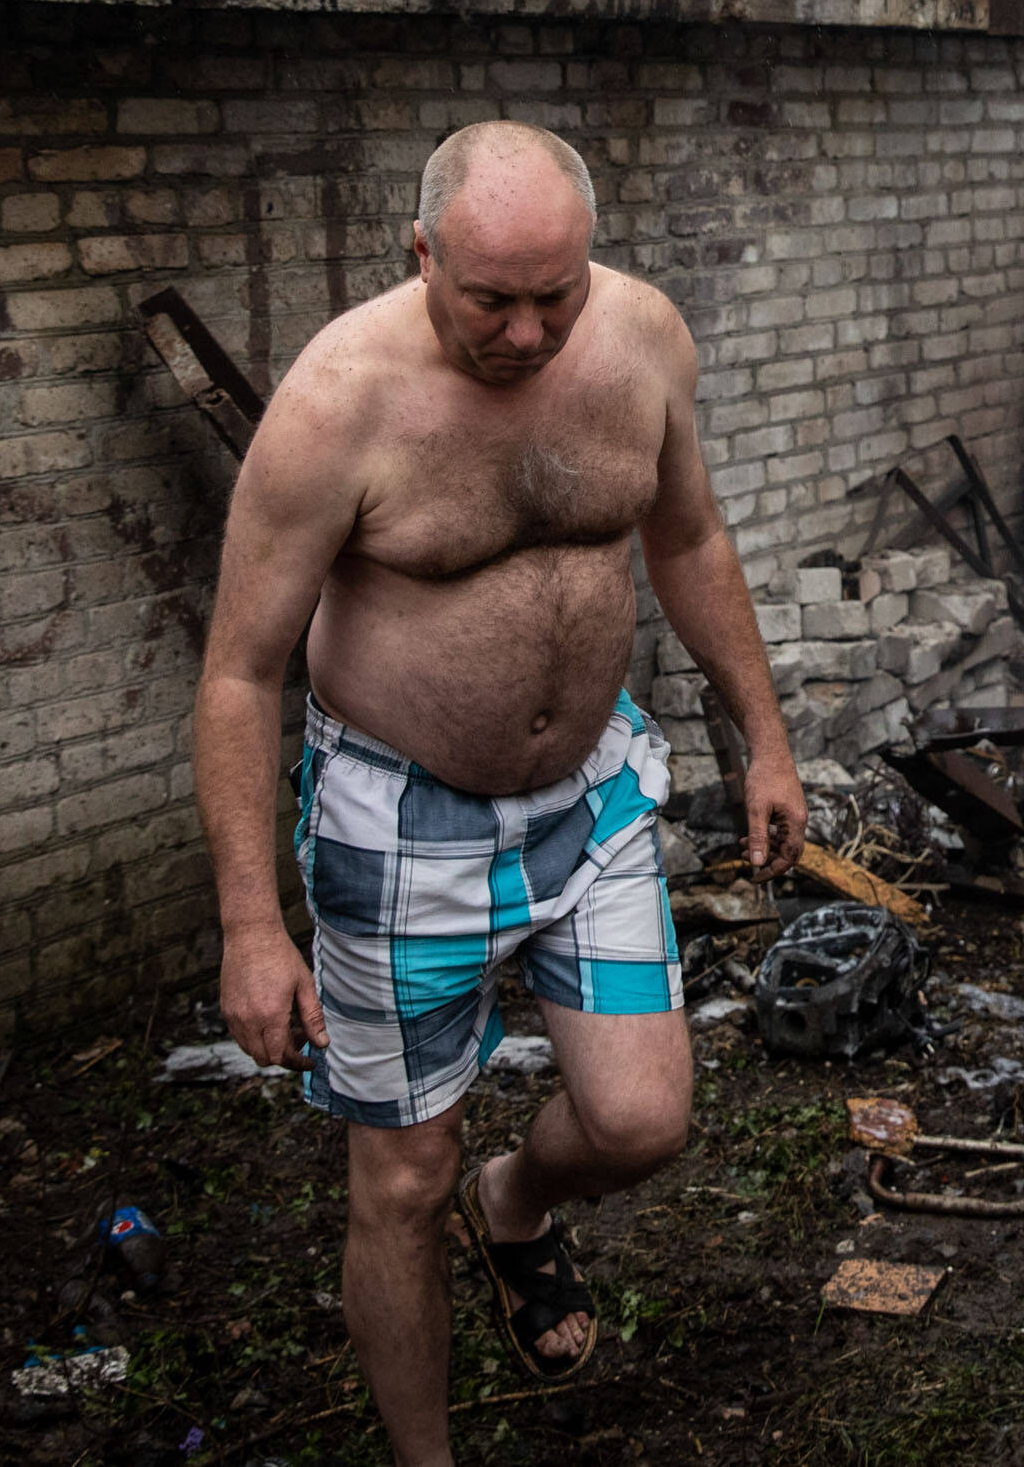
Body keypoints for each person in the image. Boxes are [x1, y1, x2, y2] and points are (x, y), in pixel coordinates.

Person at [192, 120, 804, 1466]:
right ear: (420, 255)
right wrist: (251, 926)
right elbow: (238, 676)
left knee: (642, 1121)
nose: (527, 335)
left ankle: (517, 1201)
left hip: (589, 802)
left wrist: (762, 734)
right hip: (400, 831)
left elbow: (688, 534)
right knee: (397, 1185)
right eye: (490, 300)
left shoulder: (639, 338)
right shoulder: (337, 404)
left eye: (554, 295)